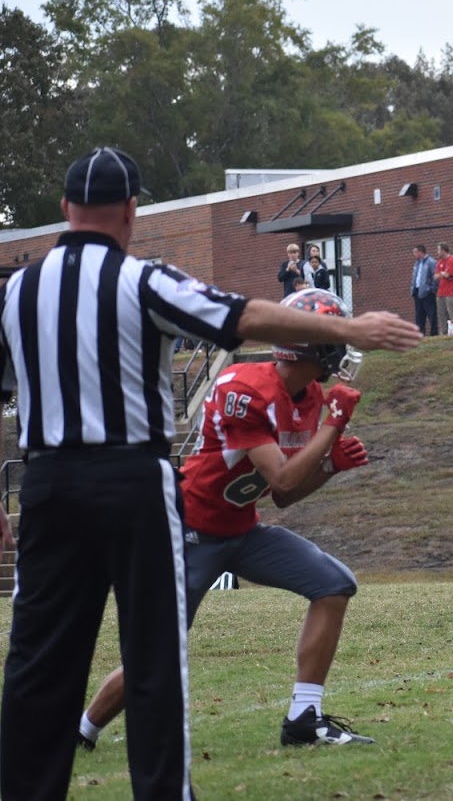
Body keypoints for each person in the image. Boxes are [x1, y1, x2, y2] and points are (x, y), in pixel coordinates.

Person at [0, 147, 420, 800]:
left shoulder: (17, 290)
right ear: (132, 211)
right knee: (154, 658)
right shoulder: (143, 279)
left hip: (48, 482)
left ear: (63, 209)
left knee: (37, 661)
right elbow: (243, 317)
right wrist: (356, 328)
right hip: (131, 480)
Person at [77, 287, 379, 752]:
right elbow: (279, 478)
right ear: (314, 345)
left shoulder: (311, 394)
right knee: (157, 651)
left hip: (241, 528)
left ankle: (303, 718)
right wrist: (331, 431)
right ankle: (81, 732)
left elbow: (285, 496)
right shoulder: (244, 386)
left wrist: (331, 466)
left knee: (333, 583)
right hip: (190, 531)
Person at [410, 244, 438, 337]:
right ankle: (420, 333)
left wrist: (431, 289)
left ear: (420, 252)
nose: (414, 254)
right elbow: (415, 277)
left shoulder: (431, 262)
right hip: (417, 291)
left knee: (431, 313)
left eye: (415, 252)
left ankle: (434, 333)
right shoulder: (417, 263)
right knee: (419, 315)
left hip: (428, 293)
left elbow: (435, 277)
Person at [435, 242, 453, 326]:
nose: (437, 252)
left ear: (443, 250)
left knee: (452, 313)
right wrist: (443, 274)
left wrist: (443, 274)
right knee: (442, 314)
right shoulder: (440, 262)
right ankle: (444, 333)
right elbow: (435, 276)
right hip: (441, 292)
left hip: (451, 292)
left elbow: (448, 274)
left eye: (438, 250)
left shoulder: (452, 260)